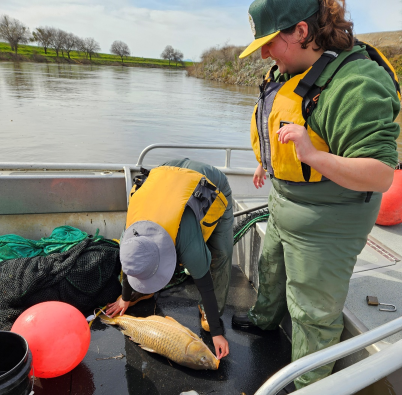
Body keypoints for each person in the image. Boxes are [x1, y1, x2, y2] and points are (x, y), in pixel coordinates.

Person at [232, 0, 400, 390]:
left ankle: (308, 384)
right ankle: (264, 321)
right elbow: (285, 124)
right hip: (284, 202)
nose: (263, 53)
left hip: (327, 221)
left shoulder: (356, 83)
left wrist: (310, 154)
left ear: (302, 32)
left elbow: (380, 175)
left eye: (271, 41)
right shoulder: (291, 68)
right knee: (270, 270)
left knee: (312, 313)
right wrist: (269, 163)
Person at [106, 158, 233, 360]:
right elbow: (130, 264)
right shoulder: (130, 236)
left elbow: (205, 283)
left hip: (209, 182)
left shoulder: (185, 240)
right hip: (164, 176)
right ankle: (139, 292)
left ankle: (211, 311)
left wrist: (217, 333)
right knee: (142, 262)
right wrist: (125, 297)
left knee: (221, 254)